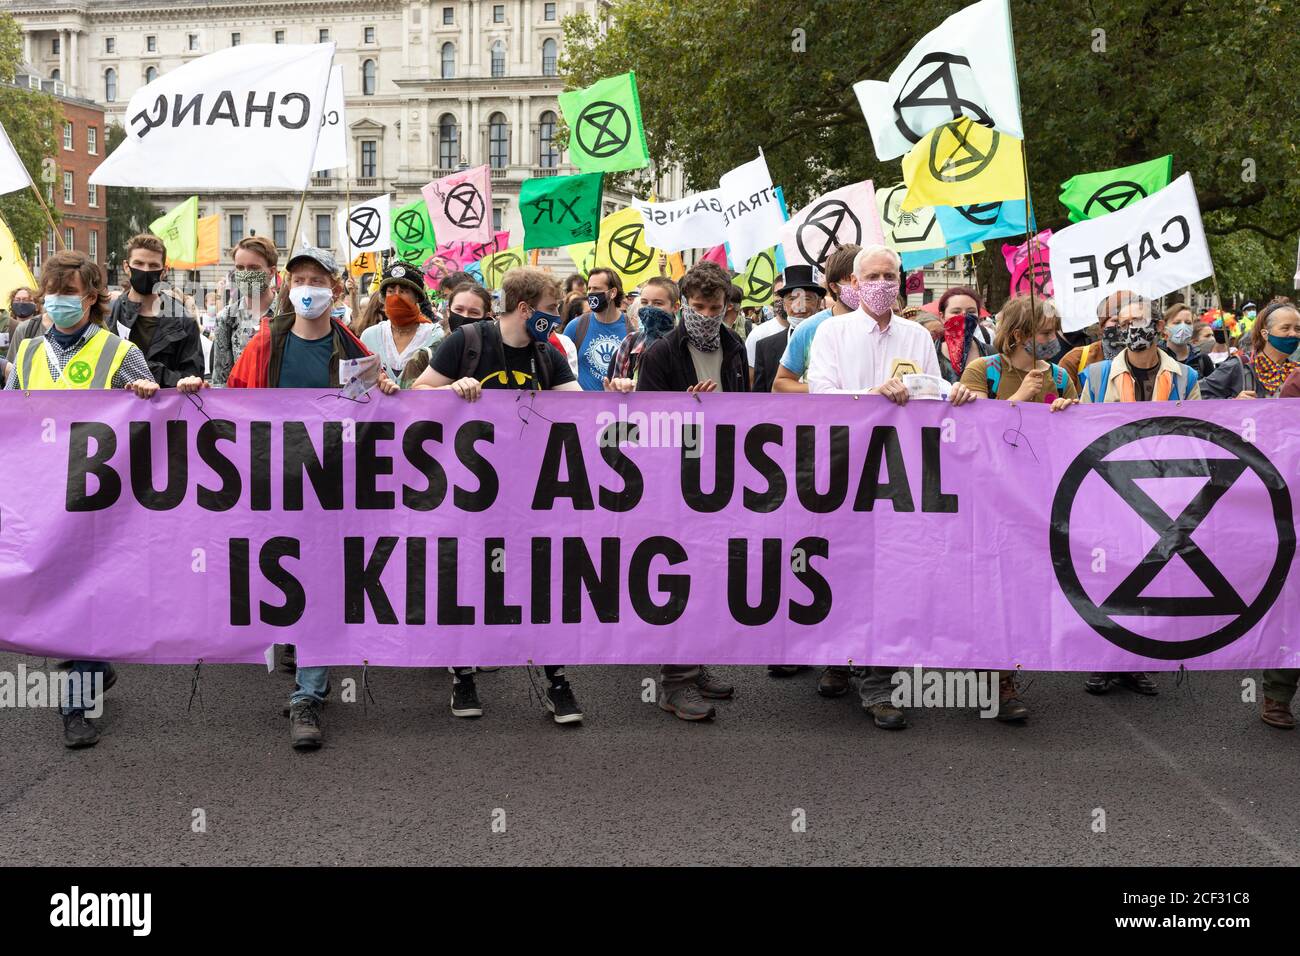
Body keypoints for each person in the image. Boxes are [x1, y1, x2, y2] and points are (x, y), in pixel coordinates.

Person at [4, 251, 202, 747]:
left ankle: (77, 703)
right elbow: (12, 417)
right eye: (53, 290)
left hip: (99, 498)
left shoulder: (119, 352)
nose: (57, 300)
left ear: (92, 297)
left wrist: (144, 392)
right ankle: (94, 666)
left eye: (69, 291)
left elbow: (157, 411)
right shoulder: (27, 352)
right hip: (43, 497)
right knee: (55, 590)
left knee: (86, 593)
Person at [227, 246, 396, 750]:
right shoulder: (265, 343)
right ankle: (298, 655)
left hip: (330, 491)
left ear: (335, 288)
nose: (307, 288)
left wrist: (386, 389)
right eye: (299, 278)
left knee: (319, 583)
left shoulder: (354, 352)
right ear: (287, 285)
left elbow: (374, 416)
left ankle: (309, 694)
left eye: (317, 279)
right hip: (273, 487)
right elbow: (232, 401)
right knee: (282, 580)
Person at [807, 244, 976, 730]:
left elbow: (928, 392)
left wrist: (955, 393)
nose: (882, 284)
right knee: (843, 567)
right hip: (842, 471)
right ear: (853, 285)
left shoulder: (916, 337)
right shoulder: (829, 333)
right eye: (872, 276)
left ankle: (880, 682)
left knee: (890, 575)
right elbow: (820, 395)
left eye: (889, 275)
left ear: (900, 281)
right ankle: (839, 657)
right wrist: (870, 396)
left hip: (897, 475)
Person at [412, 266, 585, 726]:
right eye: (551, 310)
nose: (556, 318)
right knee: (467, 580)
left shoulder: (547, 354)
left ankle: (556, 680)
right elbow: (417, 393)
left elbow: (579, 404)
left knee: (539, 584)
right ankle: (463, 673)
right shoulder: (468, 341)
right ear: (526, 309)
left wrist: (617, 393)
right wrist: (452, 388)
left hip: (529, 493)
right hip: (467, 490)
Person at [610, 260, 743, 719]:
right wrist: (687, 407)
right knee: (682, 576)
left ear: (727, 307)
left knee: (710, 574)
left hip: (721, 475)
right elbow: (647, 423)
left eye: (715, 306)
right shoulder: (663, 352)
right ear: (685, 304)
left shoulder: (735, 346)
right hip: (676, 482)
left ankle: (694, 663)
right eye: (699, 306)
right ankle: (674, 681)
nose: (706, 314)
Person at [1068, 290, 1200, 697]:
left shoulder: (1186, 377)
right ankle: (1104, 660)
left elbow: (1197, 433)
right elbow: (1081, 431)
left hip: (1163, 491)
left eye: (1139, 322)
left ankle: (1137, 662)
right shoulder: (1096, 376)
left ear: (1159, 328)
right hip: (1111, 489)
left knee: (1151, 575)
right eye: (1124, 325)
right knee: (1107, 575)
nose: (1133, 331)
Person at [956, 294, 1079, 722]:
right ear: (1019, 334)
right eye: (1045, 333)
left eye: (1054, 332)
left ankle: (1008, 666)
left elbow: (1078, 442)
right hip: (986, 499)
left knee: (1024, 587)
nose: (1053, 340)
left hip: (1040, 498)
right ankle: (997, 680)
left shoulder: (1062, 377)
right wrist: (1021, 398)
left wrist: (1069, 411)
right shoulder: (982, 371)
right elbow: (972, 436)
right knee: (990, 588)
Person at [108, 233, 204, 386]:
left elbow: (192, 377)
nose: (145, 270)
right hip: (119, 408)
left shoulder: (183, 320)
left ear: (164, 270)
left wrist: (151, 372)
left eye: (153, 266)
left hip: (166, 408)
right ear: (127, 266)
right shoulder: (109, 316)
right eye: (138, 263)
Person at [771, 245, 863, 398]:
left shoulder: (883, 325)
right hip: (825, 418)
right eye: (850, 279)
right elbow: (780, 385)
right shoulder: (810, 328)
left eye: (865, 278)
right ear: (833, 286)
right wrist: (825, 390)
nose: (858, 285)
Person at [358, 261, 444, 381]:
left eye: (404, 291)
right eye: (391, 291)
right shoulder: (370, 336)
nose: (396, 296)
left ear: (416, 297)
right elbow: (361, 384)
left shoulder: (434, 336)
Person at [210, 236, 278, 386]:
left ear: (271, 271)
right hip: (241, 404)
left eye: (253, 268)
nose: (246, 273)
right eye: (240, 268)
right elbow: (221, 379)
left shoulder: (287, 313)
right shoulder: (227, 318)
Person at [1201, 298, 1299, 400]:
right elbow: (1198, 395)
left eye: (1298, 329)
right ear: (1265, 334)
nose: (1293, 334)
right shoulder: (1238, 366)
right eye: (1285, 328)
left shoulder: (1296, 371)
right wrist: (1232, 402)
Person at [753, 265, 823, 393]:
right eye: (792, 299)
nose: (799, 306)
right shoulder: (765, 347)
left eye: (806, 298)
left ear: (818, 303)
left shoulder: (833, 339)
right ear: (784, 304)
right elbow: (760, 399)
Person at [604, 275, 679, 387]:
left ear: (675, 307)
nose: (649, 308)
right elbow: (614, 395)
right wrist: (621, 386)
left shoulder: (683, 344)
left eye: (657, 303)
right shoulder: (630, 342)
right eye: (644, 302)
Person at [563, 267, 627, 391]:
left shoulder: (631, 328)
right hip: (583, 407)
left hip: (618, 407)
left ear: (613, 292)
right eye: (589, 289)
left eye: (596, 289)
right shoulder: (575, 327)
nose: (591, 293)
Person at [934, 286, 992, 383]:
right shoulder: (931, 352)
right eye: (956, 312)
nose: (964, 316)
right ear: (942, 317)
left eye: (971, 312)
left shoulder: (990, 353)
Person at [745, 275, 786, 384]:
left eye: (786, 293)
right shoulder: (758, 335)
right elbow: (751, 380)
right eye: (778, 294)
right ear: (772, 297)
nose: (782, 299)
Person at [1161, 303, 1214, 381]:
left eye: (1188, 323)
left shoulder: (1202, 359)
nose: (1183, 327)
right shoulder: (1157, 357)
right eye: (1177, 323)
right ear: (1165, 328)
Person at [5, 286, 42, 362]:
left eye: (26, 300)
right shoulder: (6, 326)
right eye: (17, 300)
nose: (21, 303)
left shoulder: (40, 327)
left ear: (36, 306)